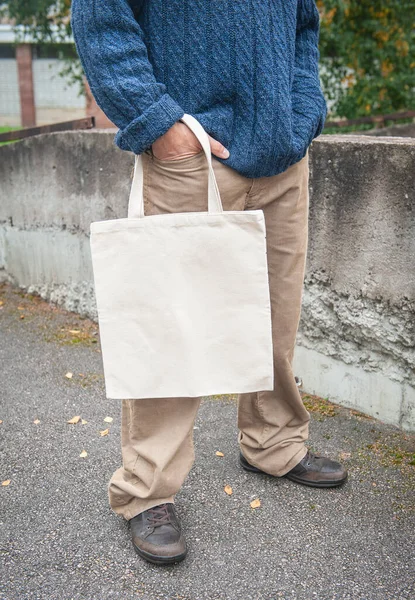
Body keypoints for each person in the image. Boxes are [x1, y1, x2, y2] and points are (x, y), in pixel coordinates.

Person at [71, 0, 347, 566]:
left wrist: (303, 111)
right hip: (190, 151)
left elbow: (303, 26)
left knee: (275, 313)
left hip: (282, 154)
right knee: (171, 327)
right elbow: (101, 17)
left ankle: (273, 442)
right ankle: (147, 489)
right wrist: (156, 120)